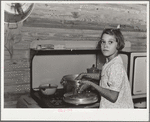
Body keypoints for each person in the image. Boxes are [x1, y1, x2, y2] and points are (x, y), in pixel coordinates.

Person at [76, 27, 134, 108]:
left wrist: (91, 84)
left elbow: (113, 97)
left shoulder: (116, 66)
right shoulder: (111, 61)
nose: (105, 45)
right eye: (103, 42)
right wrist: (85, 74)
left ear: (118, 44)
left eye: (110, 42)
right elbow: (105, 76)